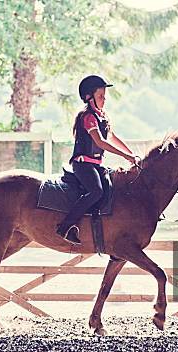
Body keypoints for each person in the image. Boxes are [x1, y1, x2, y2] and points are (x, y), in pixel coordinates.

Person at [56, 75, 138, 244]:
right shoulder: (88, 117)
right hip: (83, 165)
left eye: (104, 96)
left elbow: (112, 137)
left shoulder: (103, 116)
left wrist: (133, 155)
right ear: (89, 97)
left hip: (96, 165)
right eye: (100, 96)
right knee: (96, 191)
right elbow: (100, 141)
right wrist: (125, 156)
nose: (104, 99)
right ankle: (65, 226)